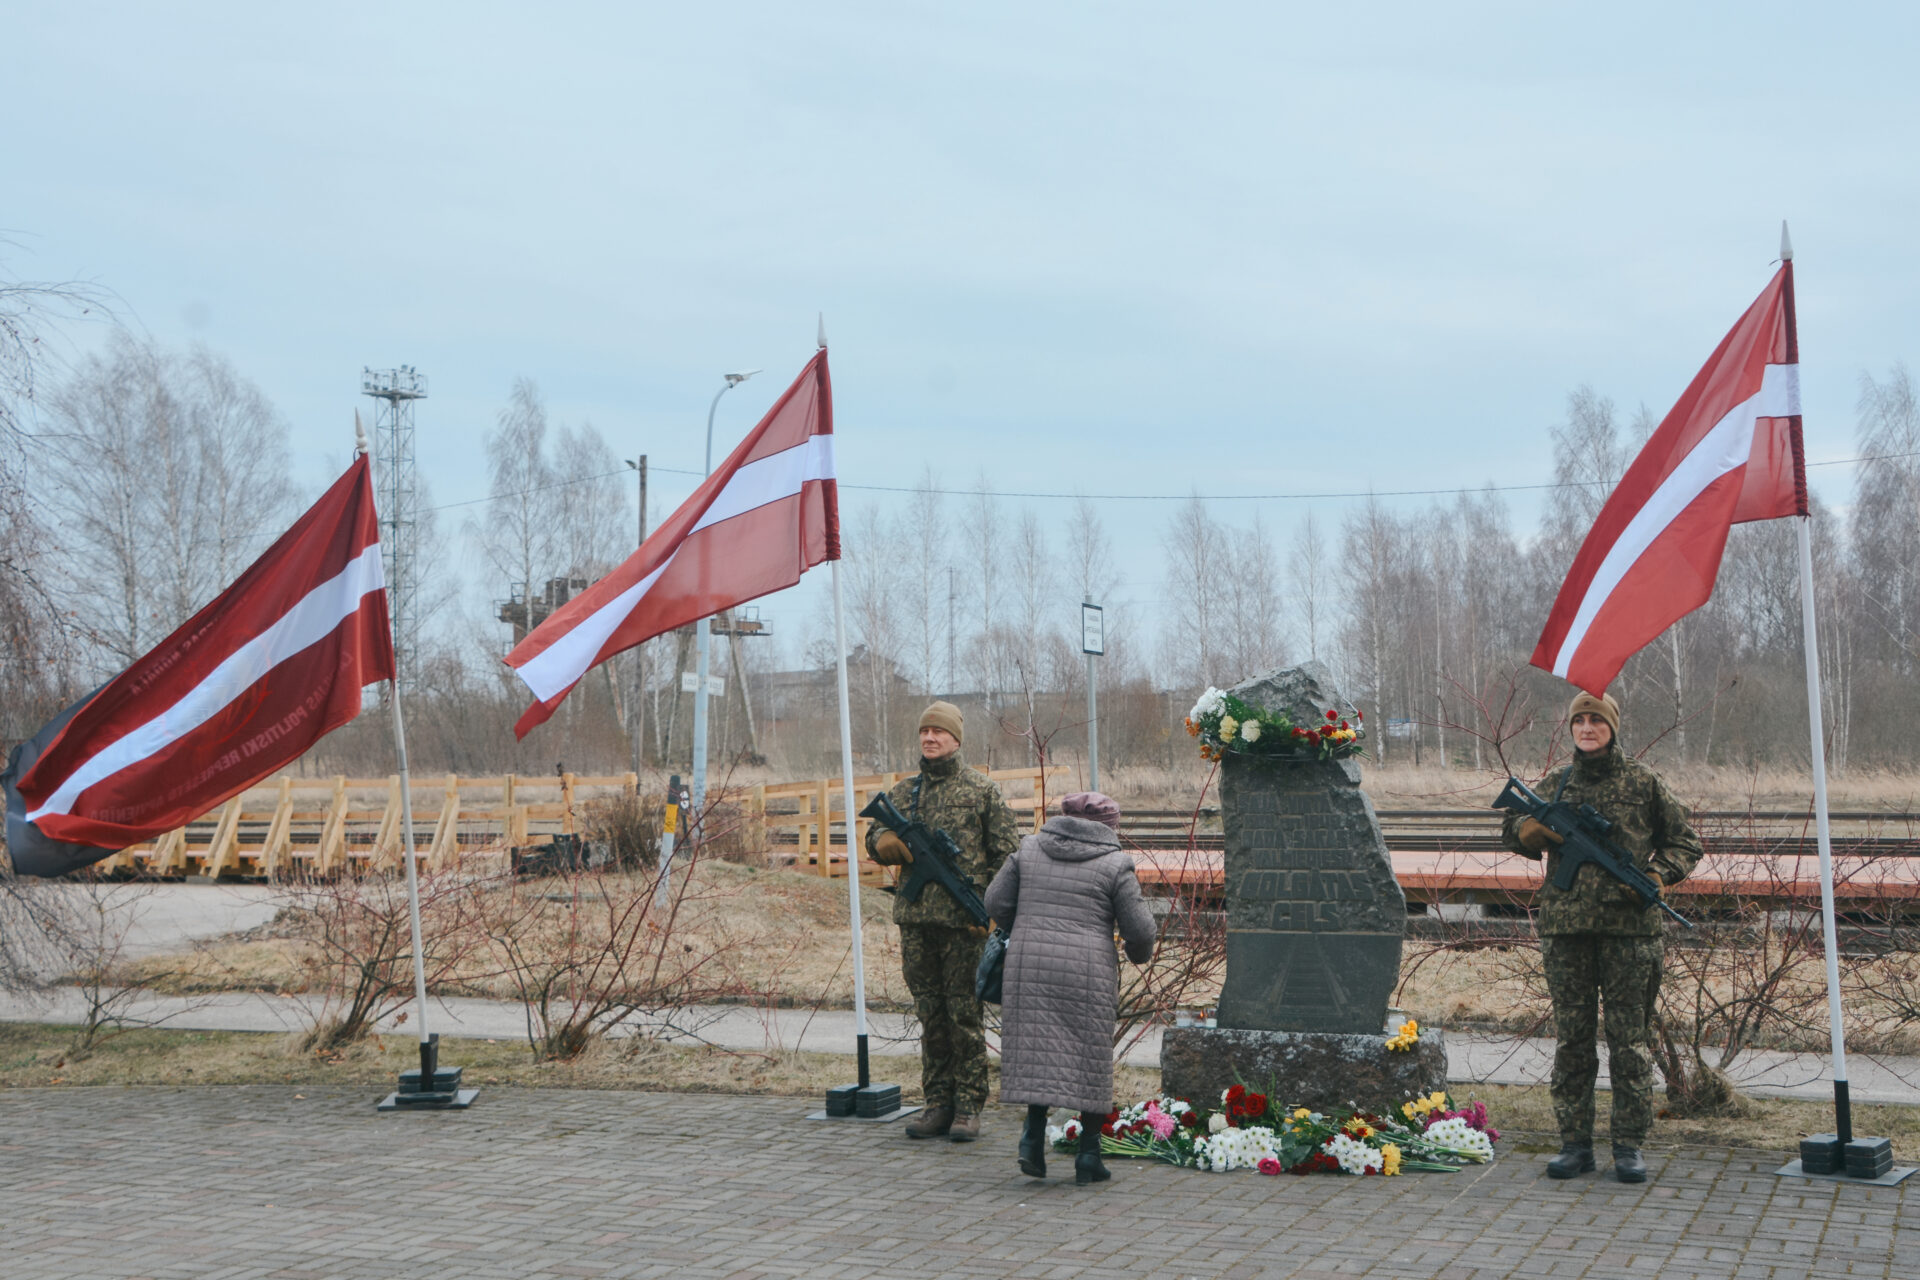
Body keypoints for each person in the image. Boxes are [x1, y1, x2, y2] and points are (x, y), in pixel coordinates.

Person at [1501, 690, 1703, 1184]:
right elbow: (1510, 827)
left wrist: (1656, 876)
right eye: (1580, 721)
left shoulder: (1643, 781)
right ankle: (1575, 1145)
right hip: (1566, 931)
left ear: (1612, 727)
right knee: (1573, 1041)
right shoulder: (1558, 782)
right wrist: (1531, 831)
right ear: (1571, 728)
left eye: (1597, 721)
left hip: (1630, 934)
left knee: (1629, 1042)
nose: (1587, 728)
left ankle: (1628, 1146)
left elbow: (1685, 842)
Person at [864, 701, 1021, 1142]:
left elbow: (1008, 856)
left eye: (939, 732)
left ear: (956, 739)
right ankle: (937, 1103)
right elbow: (872, 835)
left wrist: (993, 911)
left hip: (964, 927)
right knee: (930, 1015)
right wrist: (884, 840)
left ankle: (968, 1106)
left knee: (964, 1017)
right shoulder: (905, 792)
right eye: (925, 731)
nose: (930, 738)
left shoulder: (982, 791)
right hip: (917, 923)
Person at [984, 791, 1157, 1185]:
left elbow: (995, 901)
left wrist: (1024, 926)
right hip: (1086, 970)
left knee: (1038, 1049)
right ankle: (1089, 1155)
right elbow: (1140, 929)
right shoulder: (1115, 863)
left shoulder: (1029, 849)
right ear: (1109, 826)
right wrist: (1138, 954)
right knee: (1089, 1056)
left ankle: (1031, 1139)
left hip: (1029, 964)